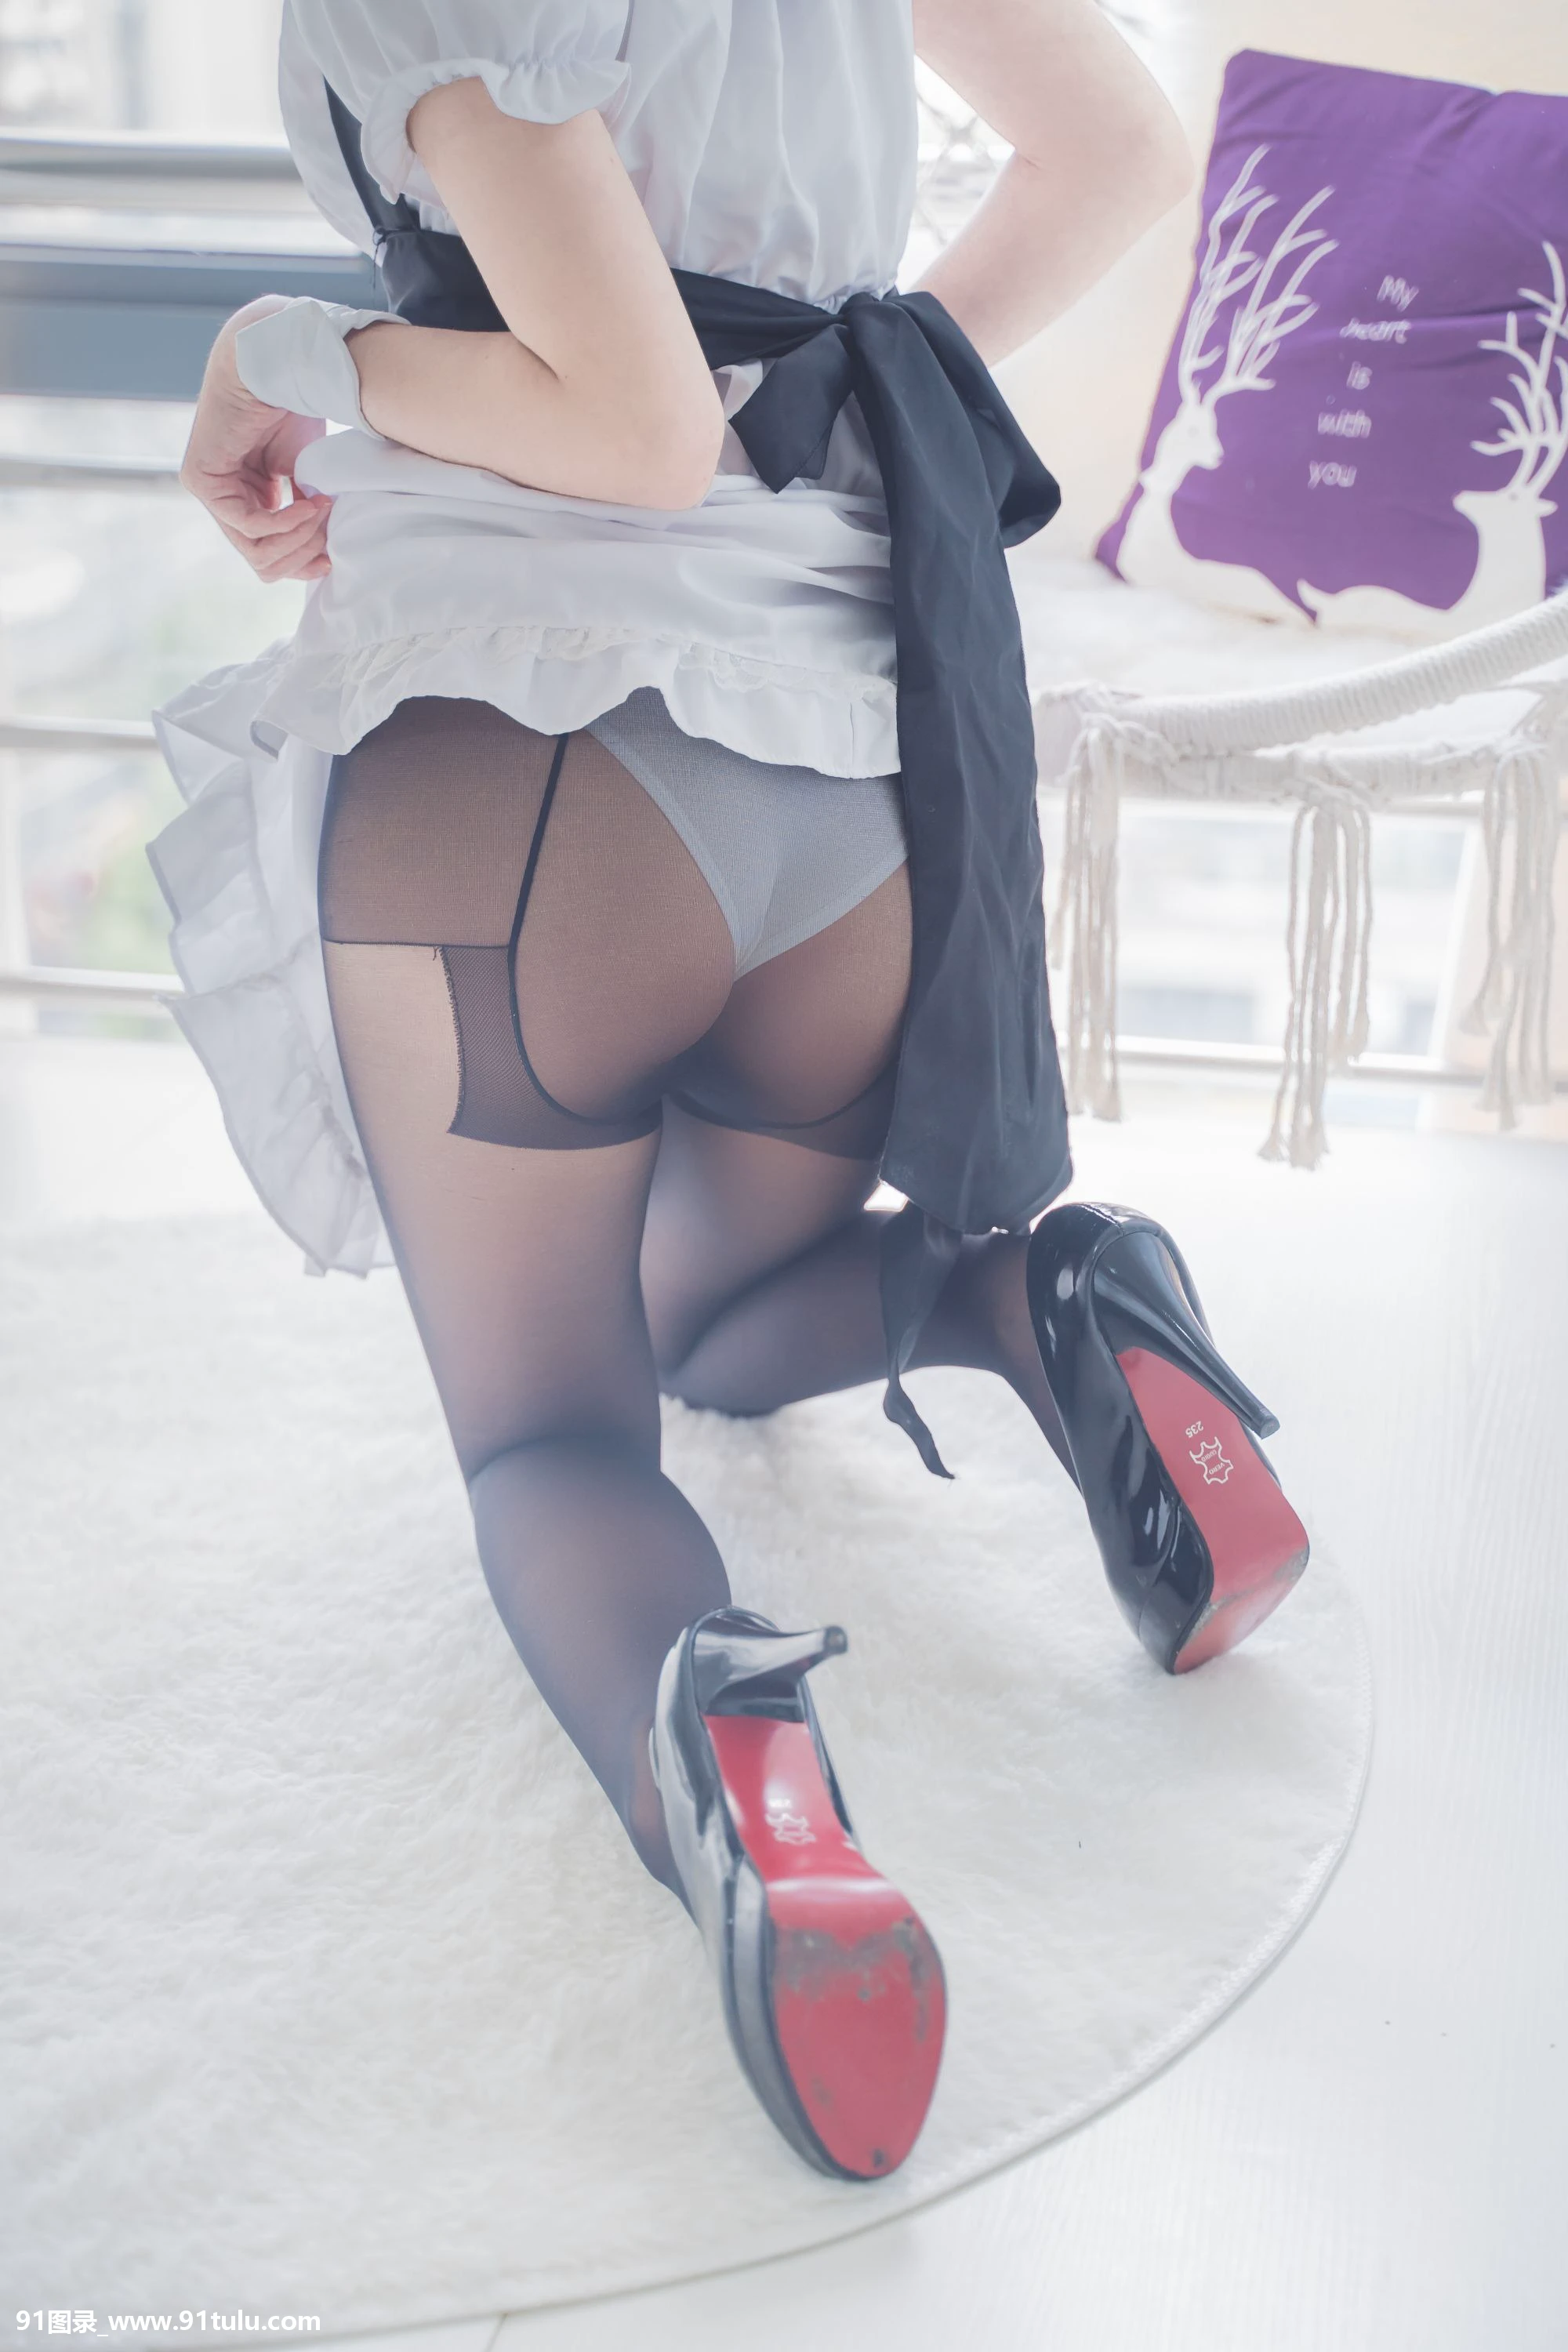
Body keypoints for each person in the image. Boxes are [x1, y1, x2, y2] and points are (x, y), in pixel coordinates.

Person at [156, 0, 1308, 2181]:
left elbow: (631, 428)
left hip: (524, 760)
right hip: (854, 790)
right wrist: (834, 401)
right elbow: (1115, 151)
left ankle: (749, 1787)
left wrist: (281, 354)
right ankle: (1042, 1307)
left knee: (555, 1438)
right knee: (702, 1319)